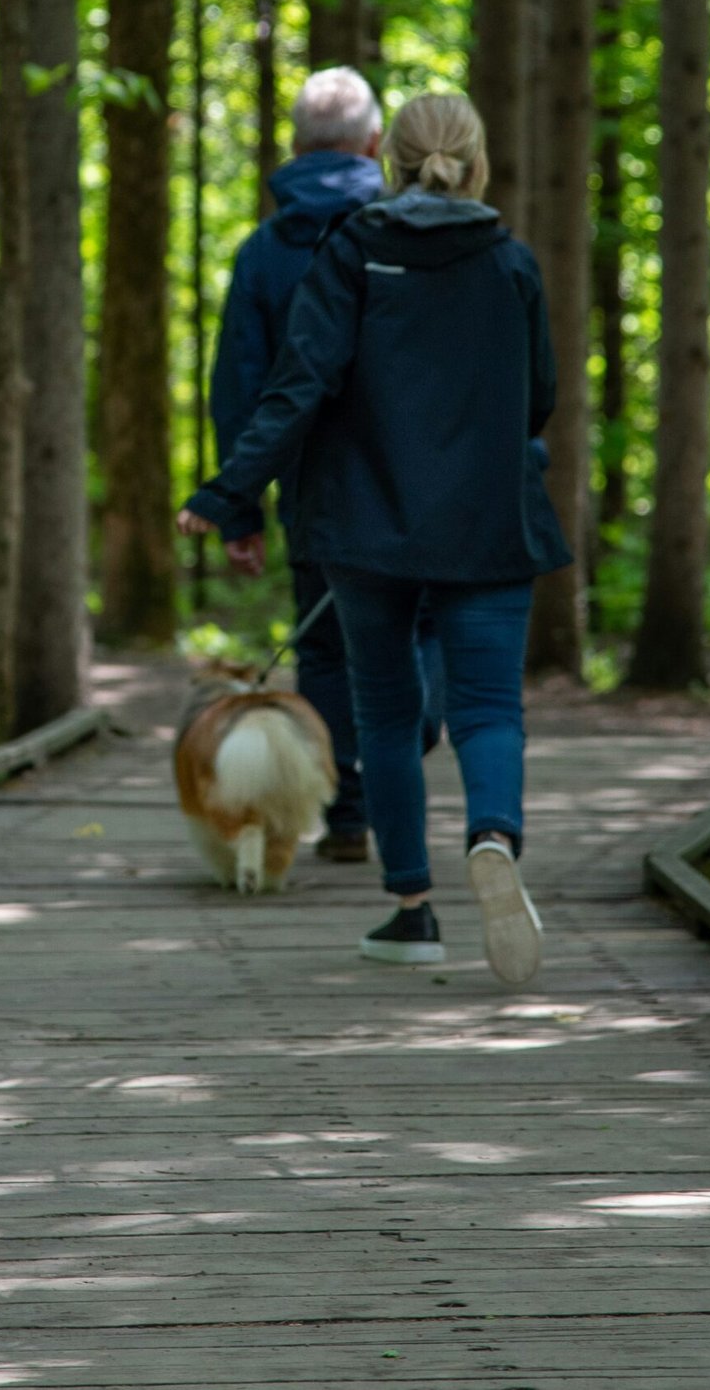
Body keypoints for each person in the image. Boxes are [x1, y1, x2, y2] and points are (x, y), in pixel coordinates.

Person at [180, 91, 570, 985]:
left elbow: (297, 387)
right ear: (475, 161)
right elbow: (538, 395)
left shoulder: (349, 254)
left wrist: (227, 493)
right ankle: (493, 838)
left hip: (366, 528)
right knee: (488, 709)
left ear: (387, 161)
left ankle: (410, 910)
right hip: (491, 524)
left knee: (388, 715)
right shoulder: (510, 263)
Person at [208, 67, 386, 861]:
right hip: (412, 484)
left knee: (324, 650)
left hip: (312, 489)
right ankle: (388, 778)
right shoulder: (408, 232)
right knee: (410, 631)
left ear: (293, 145)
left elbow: (238, 385)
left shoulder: (262, 254)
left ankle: (347, 815)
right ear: (374, 143)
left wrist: (238, 510)